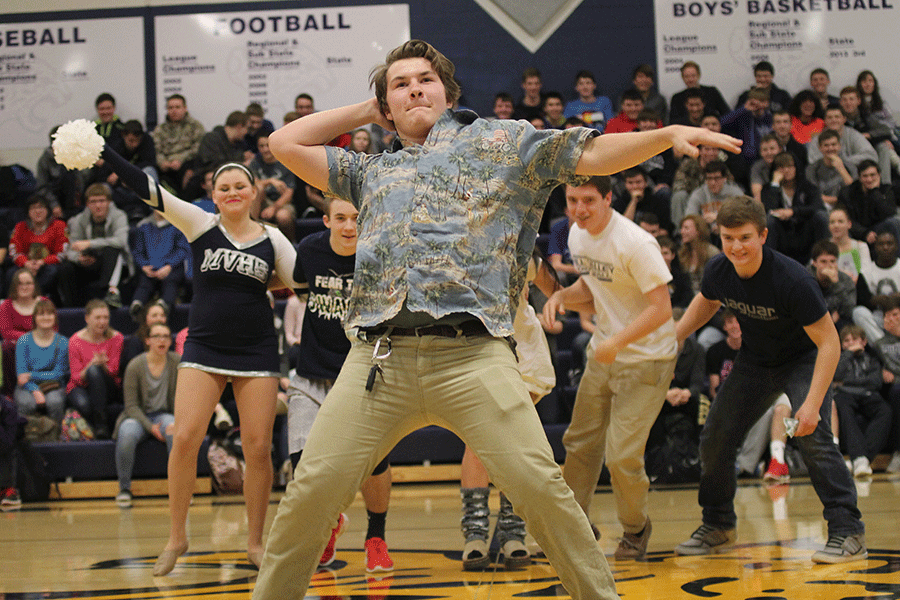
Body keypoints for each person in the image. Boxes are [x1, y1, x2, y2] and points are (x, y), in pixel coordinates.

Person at [254, 39, 741, 600]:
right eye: (400, 84)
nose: (414, 87)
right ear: (385, 104)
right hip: (378, 362)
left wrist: (663, 136)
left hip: (473, 356)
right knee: (311, 490)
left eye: (425, 80)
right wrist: (372, 110)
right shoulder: (371, 171)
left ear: (448, 91)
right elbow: (284, 142)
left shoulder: (503, 142)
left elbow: (593, 155)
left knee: (542, 489)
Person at [91, 137, 299, 575]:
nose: (232, 192)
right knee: (185, 438)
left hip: (257, 350)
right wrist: (102, 152)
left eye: (239, 185)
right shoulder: (201, 224)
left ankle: (256, 542)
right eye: (223, 187)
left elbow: (302, 281)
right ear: (214, 194)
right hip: (204, 347)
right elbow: (145, 187)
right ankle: (176, 537)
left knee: (259, 448)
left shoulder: (273, 239)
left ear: (254, 192)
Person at [674, 195, 866, 563]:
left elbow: (829, 344)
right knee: (716, 436)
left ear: (763, 235)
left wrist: (810, 406)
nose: (736, 246)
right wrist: (677, 334)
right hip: (756, 362)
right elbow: (707, 300)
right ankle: (718, 525)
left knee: (814, 438)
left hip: (803, 360)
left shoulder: (793, 280)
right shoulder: (719, 269)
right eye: (728, 238)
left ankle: (848, 532)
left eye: (745, 237)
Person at [543, 175, 677, 560]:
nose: (579, 209)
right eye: (572, 200)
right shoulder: (576, 234)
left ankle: (636, 529)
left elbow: (660, 310)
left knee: (622, 456)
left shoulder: (636, 243)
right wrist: (562, 297)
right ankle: (575, 527)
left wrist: (617, 341)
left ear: (607, 199)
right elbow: (594, 288)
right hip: (605, 354)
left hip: (647, 359)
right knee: (579, 443)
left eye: (588, 200)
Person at [287, 196, 395, 573]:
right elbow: (301, 291)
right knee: (303, 468)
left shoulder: (379, 255)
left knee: (374, 463)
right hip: (311, 375)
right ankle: (330, 523)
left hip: (361, 373)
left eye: (355, 218)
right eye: (341, 218)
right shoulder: (309, 250)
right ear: (326, 220)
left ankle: (376, 538)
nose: (349, 226)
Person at [112, 321, 178, 507]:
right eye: (157, 336)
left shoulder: (177, 362)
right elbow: (131, 406)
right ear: (148, 340)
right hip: (137, 416)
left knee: (174, 429)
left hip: (165, 414)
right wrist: (150, 428)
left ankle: (179, 489)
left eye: (166, 336)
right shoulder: (135, 365)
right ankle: (124, 488)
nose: (162, 340)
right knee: (126, 434)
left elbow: (183, 399)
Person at [58, 183, 131, 308]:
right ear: (87, 204)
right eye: (93, 202)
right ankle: (72, 307)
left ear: (109, 202)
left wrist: (89, 243)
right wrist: (78, 259)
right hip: (88, 262)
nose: (98, 205)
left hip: (112, 262)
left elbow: (121, 241)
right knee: (66, 268)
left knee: (112, 250)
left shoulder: (119, 216)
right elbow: (71, 248)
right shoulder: (79, 220)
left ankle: (109, 294)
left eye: (102, 201)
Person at [833, 324, 891, 478]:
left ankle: (860, 459)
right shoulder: (839, 358)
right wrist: (848, 354)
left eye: (855, 339)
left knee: (885, 411)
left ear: (864, 341)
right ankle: (860, 459)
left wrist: (847, 382)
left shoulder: (872, 360)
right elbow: (836, 376)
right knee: (844, 409)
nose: (851, 343)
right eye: (846, 341)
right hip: (845, 395)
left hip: (868, 394)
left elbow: (876, 382)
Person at [67, 299, 124, 439]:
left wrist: (102, 365)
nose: (102, 322)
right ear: (87, 318)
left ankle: (101, 426)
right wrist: (90, 365)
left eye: (105, 317)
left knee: (95, 371)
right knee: (84, 404)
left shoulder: (116, 338)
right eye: (97, 317)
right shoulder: (75, 340)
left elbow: (114, 372)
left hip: (107, 384)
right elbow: (76, 378)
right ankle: (95, 429)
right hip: (82, 385)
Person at [762, 151, 828, 263]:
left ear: (796, 167)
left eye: (790, 166)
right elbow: (769, 209)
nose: (786, 170)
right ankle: (770, 262)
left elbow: (818, 206)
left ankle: (824, 257)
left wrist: (793, 211)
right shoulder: (768, 189)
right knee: (769, 220)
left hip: (804, 231)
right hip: (782, 233)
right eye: (781, 167)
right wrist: (775, 184)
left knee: (821, 216)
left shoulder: (807, 187)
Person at [14, 298, 68, 426]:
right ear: (34, 318)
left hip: (54, 385)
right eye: (41, 314)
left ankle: (55, 438)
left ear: (55, 317)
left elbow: (59, 374)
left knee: (55, 402)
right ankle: (26, 440)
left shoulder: (63, 342)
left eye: (49, 314)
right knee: (26, 403)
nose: (46, 317)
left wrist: (31, 375)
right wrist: (35, 390)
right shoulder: (23, 341)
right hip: (26, 387)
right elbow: (21, 376)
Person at [129, 210, 191, 317]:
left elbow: (183, 250)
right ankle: (137, 304)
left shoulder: (177, 226)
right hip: (150, 267)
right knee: (144, 283)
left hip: (171, 268)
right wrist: (144, 266)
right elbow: (138, 252)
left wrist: (169, 266)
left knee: (171, 281)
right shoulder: (143, 226)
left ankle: (165, 304)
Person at [1, 269, 51, 395]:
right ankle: (10, 393)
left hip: (42, 346)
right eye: (20, 283)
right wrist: (30, 338)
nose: (24, 287)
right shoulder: (6, 305)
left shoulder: (44, 303)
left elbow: (52, 328)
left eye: (28, 283)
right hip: (17, 347)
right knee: (6, 346)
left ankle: (44, 388)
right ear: (14, 286)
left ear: (34, 285)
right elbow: (6, 332)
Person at [8, 195, 66, 297]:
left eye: (41, 207)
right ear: (28, 212)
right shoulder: (20, 227)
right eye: (33, 208)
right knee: (11, 273)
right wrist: (26, 263)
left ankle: (35, 297)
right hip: (26, 264)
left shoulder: (59, 226)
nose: (37, 211)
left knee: (52, 271)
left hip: (48, 265)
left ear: (48, 210)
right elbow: (14, 252)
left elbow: (62, 253)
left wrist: (42, 262)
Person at [152, 94, 206, 196]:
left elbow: (198, 147)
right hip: (166, 167)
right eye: (170, 107)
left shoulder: (195, 126)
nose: (174, 111)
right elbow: (156, 149)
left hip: (187, 163)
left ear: (185, 108)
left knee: (192, 171)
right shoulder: (160, 129)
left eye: (177, 107)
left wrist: (180, 160)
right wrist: (163, 163)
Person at [248, 133, 298, 241]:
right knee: (258, 189)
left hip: (281, 202)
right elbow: (253, 185)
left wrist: (274, 208)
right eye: (261, 146)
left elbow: (289, 193)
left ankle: (291, 245)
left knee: (283, 216)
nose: (265, 149)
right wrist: (270, 181)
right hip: (260, 201)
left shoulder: (286, 162)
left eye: (268, 145)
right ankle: (251, 237)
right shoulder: (255, 163)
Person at [872, 294, 900, 474]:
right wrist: (880, 371)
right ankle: (898, 452)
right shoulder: (880, 344)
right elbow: (872, 367)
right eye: (888, 316)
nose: (891, 319)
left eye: (896, 315)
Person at [684, 161, 744, 241]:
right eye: (709, 178)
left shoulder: (735, 193)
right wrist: (703, 222)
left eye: (717, 178)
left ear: (724, 178)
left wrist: (719, 219)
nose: (713, 182)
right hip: (706, 236)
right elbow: (689, 218)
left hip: (731, 233)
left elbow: (744, 215)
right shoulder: (699, 194)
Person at [807, 106, 878, 172]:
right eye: (829, 117)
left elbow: (871, 155)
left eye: (837, 117)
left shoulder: (853, 135)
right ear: (825, 120)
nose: (833, 120)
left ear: (844, 119)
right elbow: (813, 162)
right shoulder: (817, 139)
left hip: (851, 175)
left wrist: (843, 162)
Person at [806, 129, 858, 210]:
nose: (830, 148)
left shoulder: (850, 166)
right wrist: (839, 200)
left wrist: (842, 169)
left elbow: (855, 192)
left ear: (839, 146)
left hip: (846, 206)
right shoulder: (812, 168)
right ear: (820, 148)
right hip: (822, 206)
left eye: (833, 144)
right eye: (826, 145)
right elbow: (813, 195)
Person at [721, 87, 773, 166]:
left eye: (762, 101)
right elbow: (721, 123)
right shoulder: (742, 117)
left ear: (767, 103)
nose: (758, 105)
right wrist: (744, 109)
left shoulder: (771, 118)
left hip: (767, 157)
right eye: (754, 102)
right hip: (745, 161)